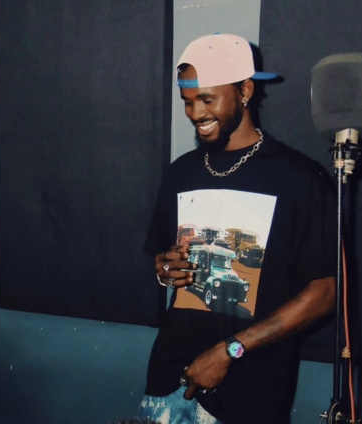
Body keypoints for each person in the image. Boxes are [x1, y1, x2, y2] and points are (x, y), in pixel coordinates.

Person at [136, 33, 337, 424]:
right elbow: (163, 260)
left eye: (207, 99)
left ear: (245, 91)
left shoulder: (300, 178)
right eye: (187, 101)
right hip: (169, 381)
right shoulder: (181, 172)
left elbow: (324, 294)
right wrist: (165, 269)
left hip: (249, 393)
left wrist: (229, 351)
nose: (195, 113)